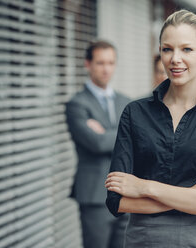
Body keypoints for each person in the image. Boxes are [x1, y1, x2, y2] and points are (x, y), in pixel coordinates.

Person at [105, 9, 196, 248]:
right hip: (143, 241)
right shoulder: (135, 113)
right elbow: (117, 201)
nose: (175, 59)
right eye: (167, 49)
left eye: (186, 49)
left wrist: (144, 187)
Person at [66, 40, 131, 248]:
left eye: (110, 63)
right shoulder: (77, 104)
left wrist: (109, 134)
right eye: (100, 63)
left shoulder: (126, 102)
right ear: (88, 64)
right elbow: (96, 143)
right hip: (95, 195)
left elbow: (138, 140)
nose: (106, 69)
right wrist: (125, 134)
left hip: (126, 191)